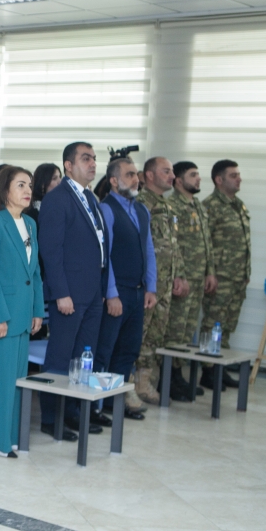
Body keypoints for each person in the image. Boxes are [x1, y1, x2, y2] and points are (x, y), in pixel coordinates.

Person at [37, 142, 108, 441]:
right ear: (68, 165)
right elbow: (51, 252)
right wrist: (61, 292)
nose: (92, 163)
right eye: (85, 158)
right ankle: (51, 419)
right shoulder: (58, 199)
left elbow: (99, 247)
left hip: (92, 294)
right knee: (60, 358)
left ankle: (73, 414)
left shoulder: (90, 197)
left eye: (94, 158)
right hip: (69, 294)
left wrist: (102, 291)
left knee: (83, 359)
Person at [0, 166, 44, 457]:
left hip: (23, 314)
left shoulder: (30, 224)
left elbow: (36, 272)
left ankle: (13, 436)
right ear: (4, 190)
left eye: (29, 185)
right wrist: (0, 316)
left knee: (17, 380)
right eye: (20, 185)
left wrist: (37, 309)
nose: (28, 190)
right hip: (1, 316)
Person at [93, 158, 157, 422]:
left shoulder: (142, 210)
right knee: (105, 351)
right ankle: (95, 407)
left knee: (128, 351)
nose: (136, 180)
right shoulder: (106, 209)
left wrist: (151, 287)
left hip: (138, 291)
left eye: (136, 175)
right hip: (116, 292)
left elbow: (149, 250)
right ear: (114, 181)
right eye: (129, 175)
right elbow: (104, 256)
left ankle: (113, 404)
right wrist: (111, 294)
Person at [133, 157, 187, 405]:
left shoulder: (166, 206)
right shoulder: (140, 203)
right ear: (149, 176)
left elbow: (172, 245)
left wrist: (179, 274)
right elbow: (140, 247)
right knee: (139, 334)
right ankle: (131, 384)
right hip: (149, 285)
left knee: (155, 335)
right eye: (166, 171)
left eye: (173, 171)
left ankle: (146, 382)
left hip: (166, 283)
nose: (172, 176)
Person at [165, 161, 216, 395]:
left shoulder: (198, 205)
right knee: (175, 331)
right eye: (193, 175)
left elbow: (207, 244)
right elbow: (172, 246)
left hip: (198, 278)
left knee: (187, 331)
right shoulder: (172, 206)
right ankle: (169, 378)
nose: (198, 179)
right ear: (178, 180)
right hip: (182, 280)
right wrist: (180, 275)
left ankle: (179, 376)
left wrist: (210, 272)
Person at [200, 159, 250, 390]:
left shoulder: (238, 205)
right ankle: (208, 372)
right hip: (219, 277)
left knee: (228, 326)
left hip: (237, 277)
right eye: (233, 175)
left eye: (238, 175)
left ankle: (220, 369)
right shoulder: (210, 206)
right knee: (213, 324)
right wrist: (210, 273)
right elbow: (204, 244)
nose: (239, 179)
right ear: (219, 180)